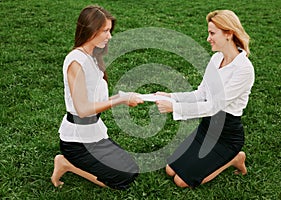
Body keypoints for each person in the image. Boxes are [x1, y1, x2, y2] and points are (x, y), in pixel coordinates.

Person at [155, 10, 254, 188]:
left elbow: (214, 106)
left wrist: (175, 108)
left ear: (229, 34)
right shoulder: (216, 59)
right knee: (170, 169)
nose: (208, 39)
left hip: (226, 136)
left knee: (181, 181)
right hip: (206, 128)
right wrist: (171, 96)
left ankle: (235, 158)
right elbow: (200, 94)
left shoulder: (243, 69)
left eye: (212, 33)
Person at [51, 5, 144, 190]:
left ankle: (74, 162)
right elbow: (83, 110)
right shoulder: (76, 62)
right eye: (105, 31)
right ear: (90, 30)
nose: (109, 36)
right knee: (121, 180)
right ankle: (65, 163)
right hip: (77, 142)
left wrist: (123, 96)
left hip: (94, 133)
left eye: (110, 30)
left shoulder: (92, 57)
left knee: (132, 169)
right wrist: (121, 100)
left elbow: (94, 98)